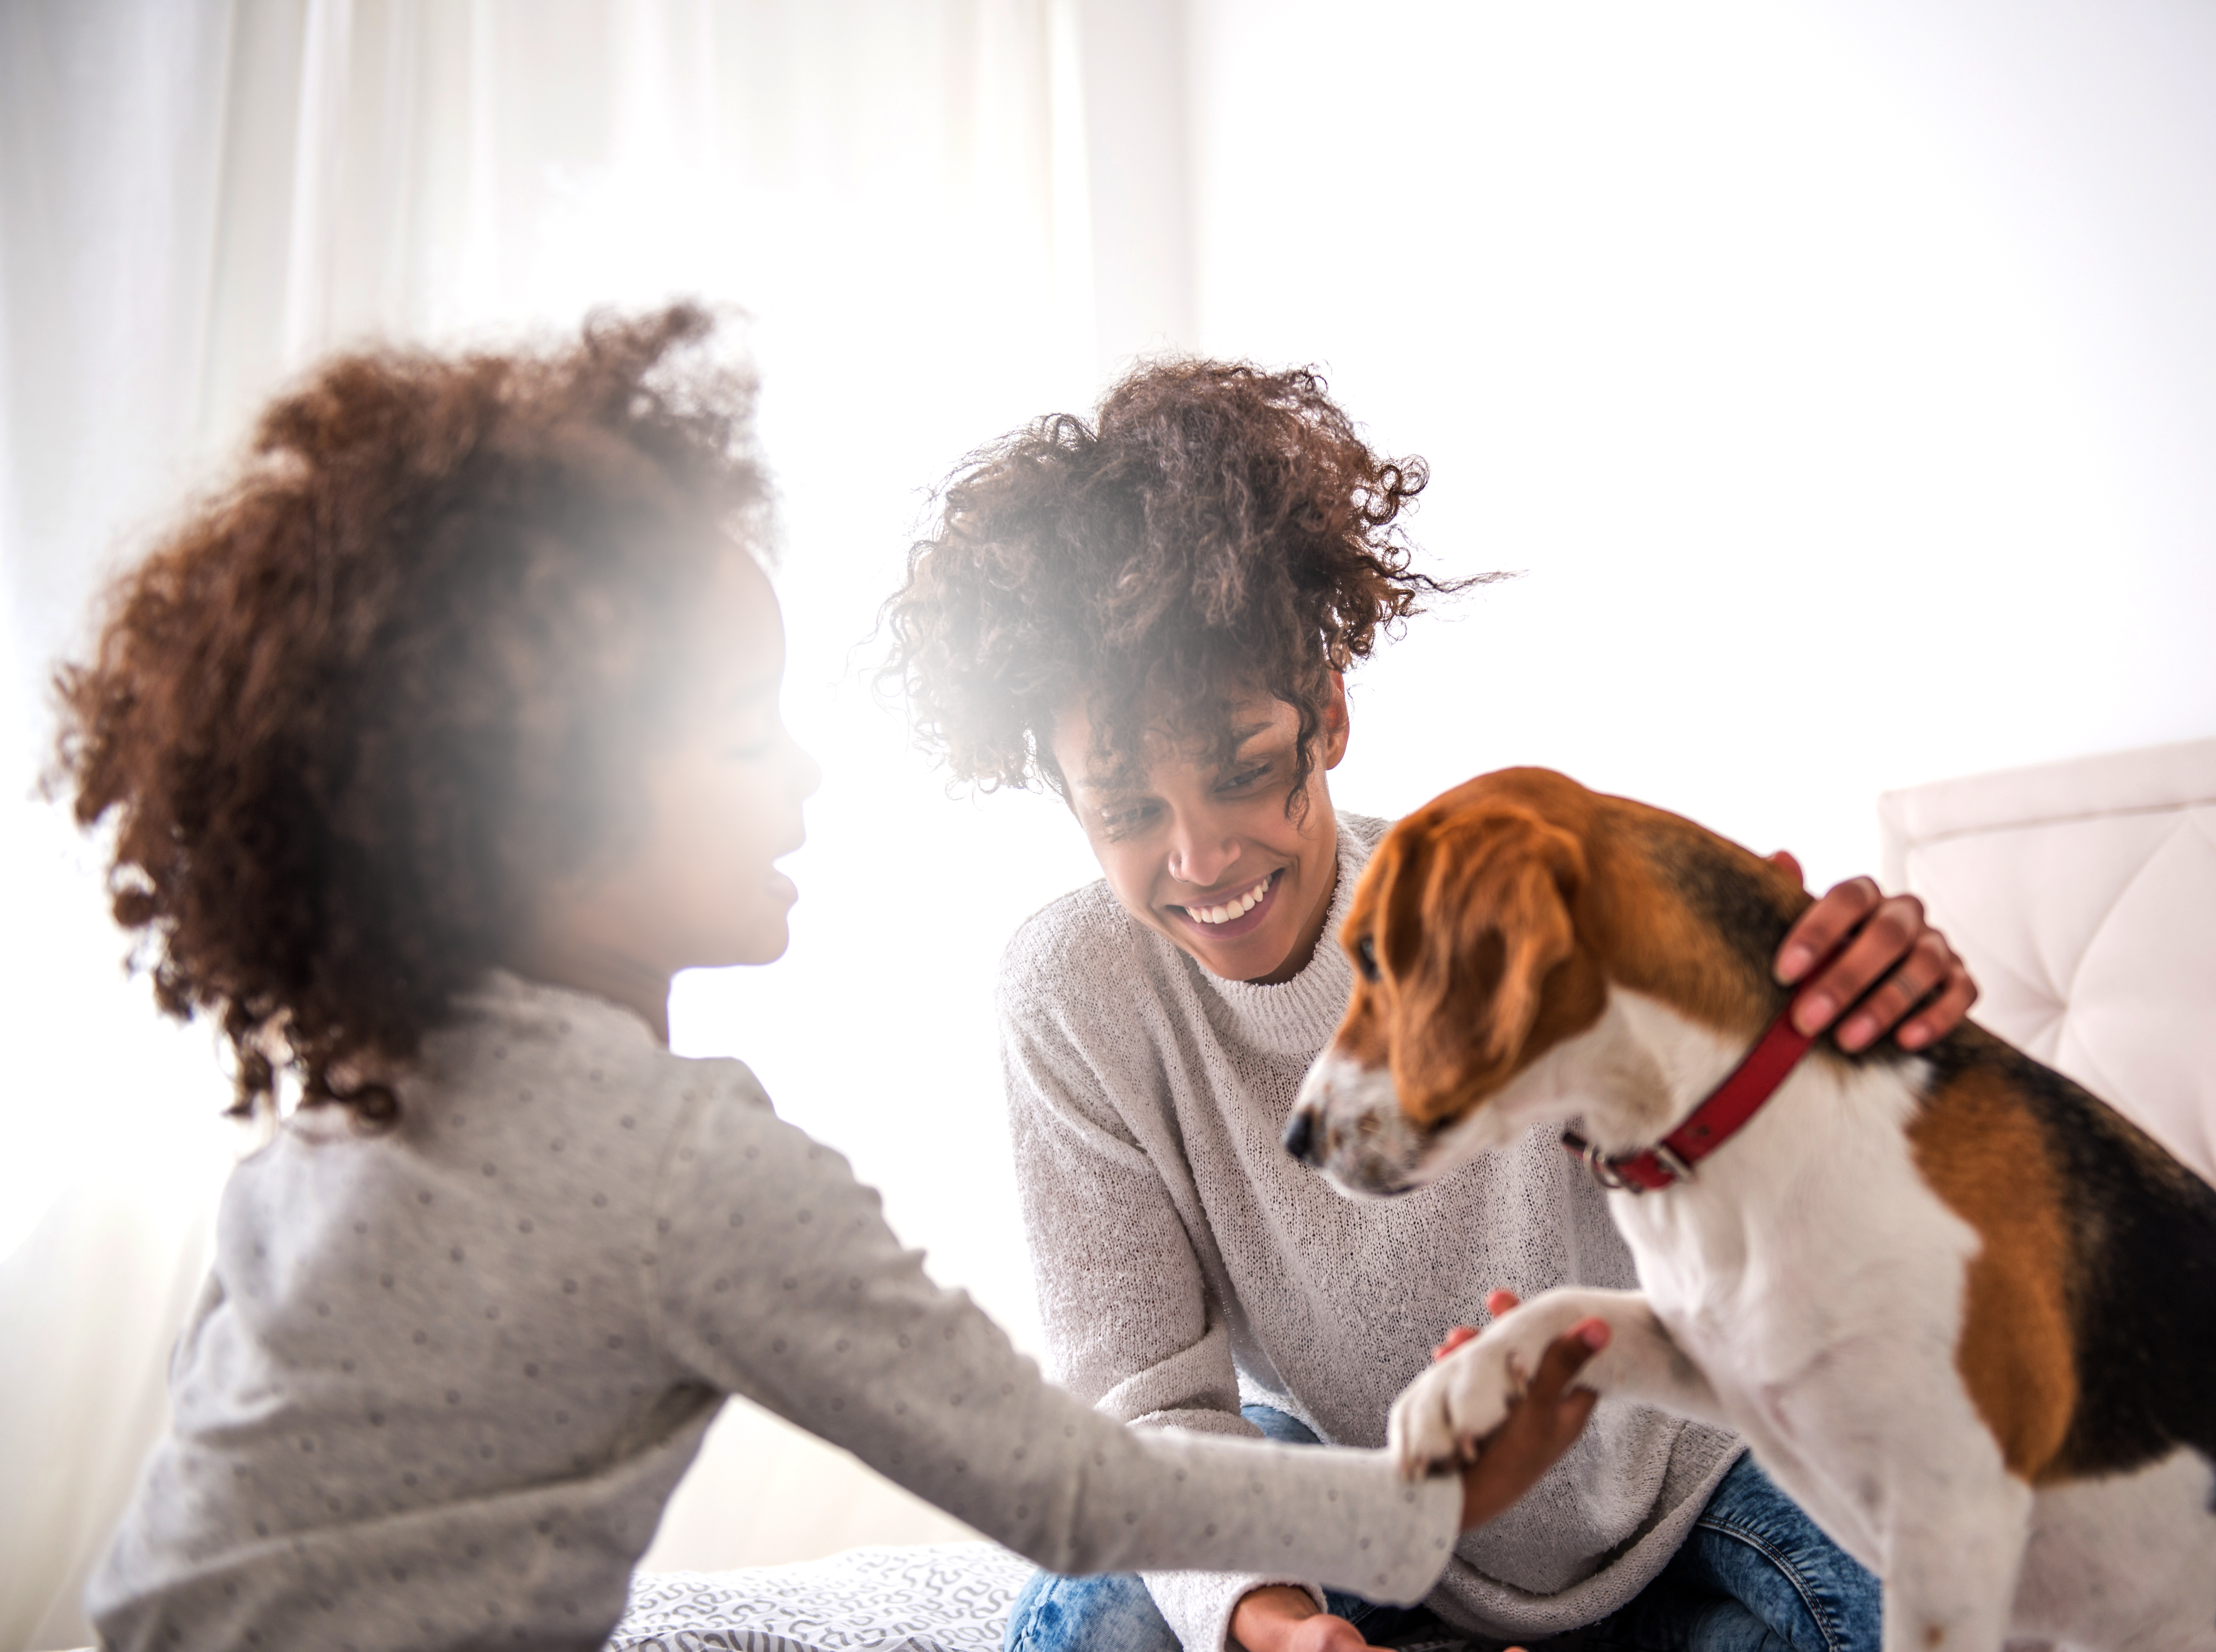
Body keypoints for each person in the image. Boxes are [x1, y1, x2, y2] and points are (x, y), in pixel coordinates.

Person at [55, 312, 1604, 1652]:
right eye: (740, 735)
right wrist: (1440, 1497)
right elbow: (1067, 1484)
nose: (800, 770)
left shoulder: (358, 1097)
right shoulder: (669, 1169)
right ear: (542, 808)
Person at [880, 361, 1981, 1652]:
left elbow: (1821, 1131)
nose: (1202, 858)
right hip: (1362, 1505)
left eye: (1242, 772)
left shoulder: (1510, 901)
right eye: (1127, 814)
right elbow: (1144, 1409)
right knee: (1093, 1604)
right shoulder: (1073, 995)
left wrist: (1882, 1008)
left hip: (1689, 1498)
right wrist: (1272, 1625)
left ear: (1328, 714)